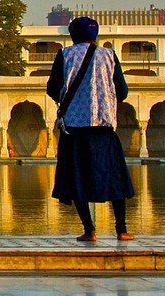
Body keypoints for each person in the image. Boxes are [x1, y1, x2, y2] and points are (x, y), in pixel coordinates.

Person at [48, 16, 135, 242]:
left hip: (75, 129)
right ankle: (121, 230)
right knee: (114, 178)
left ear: (72, 35)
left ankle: (90, 230)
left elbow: (52, 88)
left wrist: (67, 99)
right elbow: (123, 91)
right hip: (103, 128)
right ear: (95, 35)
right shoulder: (109, 55)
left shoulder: (65, 55)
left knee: (77, 178)